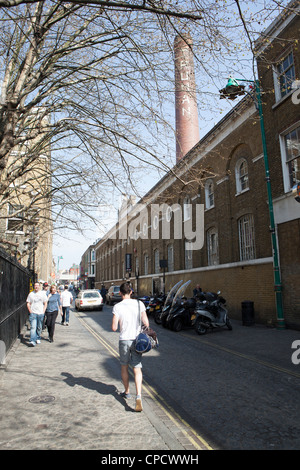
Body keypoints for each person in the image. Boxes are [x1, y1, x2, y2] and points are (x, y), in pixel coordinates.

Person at [111, 282, 149, 412]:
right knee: (137, 369)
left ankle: (127, 391)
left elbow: (114, 327)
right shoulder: (140, 304)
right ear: (131, 292)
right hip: (138, 340)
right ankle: (138, 395)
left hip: (125, 340)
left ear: (120, 293)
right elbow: (146, 323)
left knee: (124, 366)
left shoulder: (117, 306)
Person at [26, 282, 48, 346]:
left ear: (39, 286)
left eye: (37, 286)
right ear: (34, 286)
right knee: (33, 327)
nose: (36, 287)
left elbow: (45, 303)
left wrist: (43, 311)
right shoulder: (31, 294)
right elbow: (28, 303)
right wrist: (30, 311)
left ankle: (38, 337)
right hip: (33, 313)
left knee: (39, 327)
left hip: (40, 313)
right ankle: (32, 340)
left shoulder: (42, 294)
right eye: (35, 285)